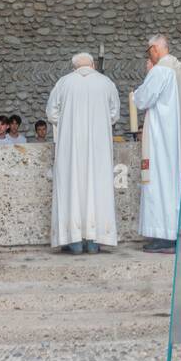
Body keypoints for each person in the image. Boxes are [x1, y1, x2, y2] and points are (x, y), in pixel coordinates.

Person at [46, 52, 120, 254]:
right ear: (93, 65)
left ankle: (74, 241)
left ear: (74, 67)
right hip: (99, 147)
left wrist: (68, 120)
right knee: (98, 188)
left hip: (71, 146)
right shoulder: (106, 83)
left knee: (71, 187)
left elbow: (51, 113)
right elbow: (114, 114)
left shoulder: (64, 82)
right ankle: (95, 241)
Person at [133, 34, 181, 253]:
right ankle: (177, 232)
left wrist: (148, 74)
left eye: (149, 51)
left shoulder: (160, 70)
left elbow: (142, 99)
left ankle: (164, 235)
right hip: (179, 139)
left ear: (154, 49)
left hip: (162, 139)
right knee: (174, 185)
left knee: (160, 183)